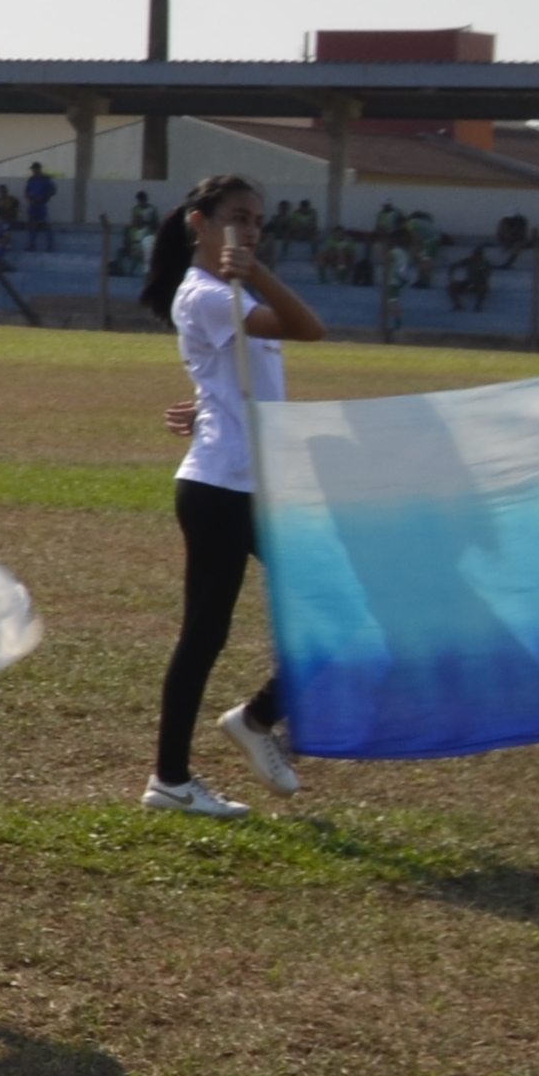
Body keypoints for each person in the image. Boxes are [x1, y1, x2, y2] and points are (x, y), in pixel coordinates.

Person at [136, 175, 325, 815]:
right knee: (206, 635)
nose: (250, 231)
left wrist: (208, 408)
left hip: (244, 483)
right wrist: (261, 272)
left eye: (259, 223)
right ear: (202, 223)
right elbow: (310, 328)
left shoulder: (226, 294)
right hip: (224, 489)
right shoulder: (211, 294)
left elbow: (239, 377)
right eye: (239, 218)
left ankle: (252, 720)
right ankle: (174, 777)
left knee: (329, 608)